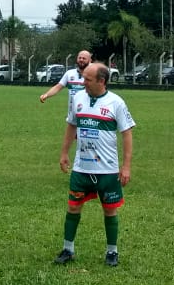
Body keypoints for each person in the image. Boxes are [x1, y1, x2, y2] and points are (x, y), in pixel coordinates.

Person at [55, 63, 135, 267]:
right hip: (82, 168)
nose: (83, 82)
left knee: (109, 211)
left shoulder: (116, 102)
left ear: (102, 81)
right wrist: (64, 152)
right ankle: (68, 249)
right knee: (73, 208)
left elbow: (127, 134)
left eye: (88, 79)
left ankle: (112, 252)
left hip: (107, 170)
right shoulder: (78, 97)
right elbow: (71, 125)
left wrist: (126, 167)